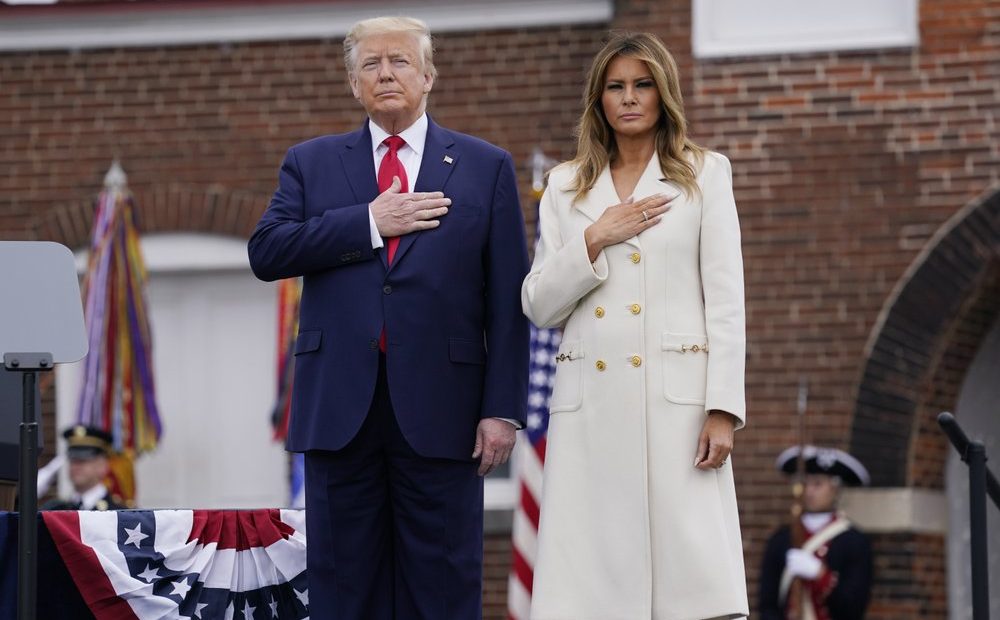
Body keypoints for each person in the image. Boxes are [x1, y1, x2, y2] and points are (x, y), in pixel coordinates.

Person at [247, 16, 530, 620]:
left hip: (446, 415)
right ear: (354, 85)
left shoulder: (486, 167)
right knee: (344, 590)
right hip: (339, 413)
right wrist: (369, 222)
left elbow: (508, 298)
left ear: (428, 75)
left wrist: (501, 409)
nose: (386, 73)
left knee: (445, 588)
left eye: (399, 61)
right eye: (370, 64)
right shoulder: (311, 163)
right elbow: (266, 252)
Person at [522, 31, 748, 620]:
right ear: (598, 99)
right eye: (615, 86)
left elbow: (726, 300)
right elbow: (539, 304)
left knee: (691, 588)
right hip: (591, 408)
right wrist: (596, 237)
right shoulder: (567, 188)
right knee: (592, 591)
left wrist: (722, 408)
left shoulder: (705, 174)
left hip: (677, 408)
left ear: (663, 93)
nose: (628, 98)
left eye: (642, 84)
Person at [758, 446, 873, 620]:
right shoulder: (781, 539)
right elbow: (768, 604)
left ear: (835, 489)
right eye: (805, 483)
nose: (809, 491)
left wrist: (820, 575)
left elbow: (853, 607)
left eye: (818, 484)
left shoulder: (854, 542)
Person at [41, 425, 126, 511]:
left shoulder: (118, 513)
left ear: (102, 465)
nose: (76, 466)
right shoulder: (58, 510)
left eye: (83, 460)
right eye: (73, 460)